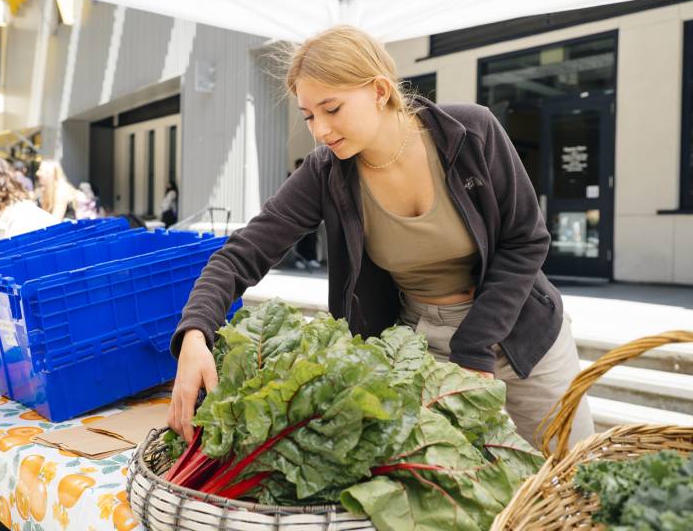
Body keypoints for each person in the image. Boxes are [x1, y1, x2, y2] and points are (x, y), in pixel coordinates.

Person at [167, 25, 594, 451]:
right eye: (309, 115)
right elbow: (239, 256)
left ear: (379, 91)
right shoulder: (326, 173)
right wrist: (195, 334)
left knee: (571, 472)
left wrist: (475, 344)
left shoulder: (472, 132)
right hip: (420, 345)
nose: (319, 130)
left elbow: (527, 241)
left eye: (331, 109)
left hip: (523, 331)